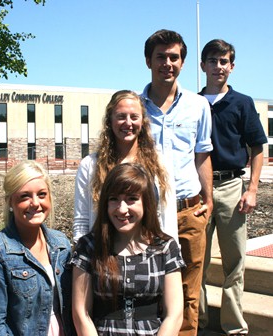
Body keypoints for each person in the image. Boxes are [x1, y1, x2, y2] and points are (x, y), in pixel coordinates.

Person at [140, 29, 213, 336]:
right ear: (148, 61)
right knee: (149, 288)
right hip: (146, 214)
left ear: (183, 62)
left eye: (174, 57)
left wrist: (208, 201)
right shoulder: (134, 108)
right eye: (161, 57)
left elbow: (202, 155)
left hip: (188, 213)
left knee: (189, 292)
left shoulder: (198, 106)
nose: (167, 63)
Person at [198, 39, 267, 336]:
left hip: (231, 189)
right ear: (203, 66)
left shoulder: (242, 103)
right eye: (212, 61)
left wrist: (251, 189)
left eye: (224, 61)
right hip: (198, 190)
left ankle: (234, 327)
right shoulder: (192, 103)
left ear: (232, 66)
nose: (218, 67)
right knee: (194, 261)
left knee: (235, 262)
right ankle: (196, 324)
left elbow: (257, 147)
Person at [71, 162, 185, 336]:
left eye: (131, 199)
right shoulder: (89, 247)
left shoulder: (166, 247)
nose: (122, 209)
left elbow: (174, 315)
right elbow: (81, 313)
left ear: (146, 203)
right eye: (114, 199)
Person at [0, 161, 74, 335]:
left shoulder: (61, 244)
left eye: (42, 194)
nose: (35, 203)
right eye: (25, 196)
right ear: (10, 202)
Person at [73, 90, 178, 245]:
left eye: (134, 117)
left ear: (143, 121)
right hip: (104, 254)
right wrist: (81, 255)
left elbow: (167, 216)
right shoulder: (90, 165)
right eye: (121, 116)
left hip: (149, 252)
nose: (128, 123)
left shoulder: (160, 163)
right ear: (110, 120)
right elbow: (82, 219)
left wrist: (172, 253)